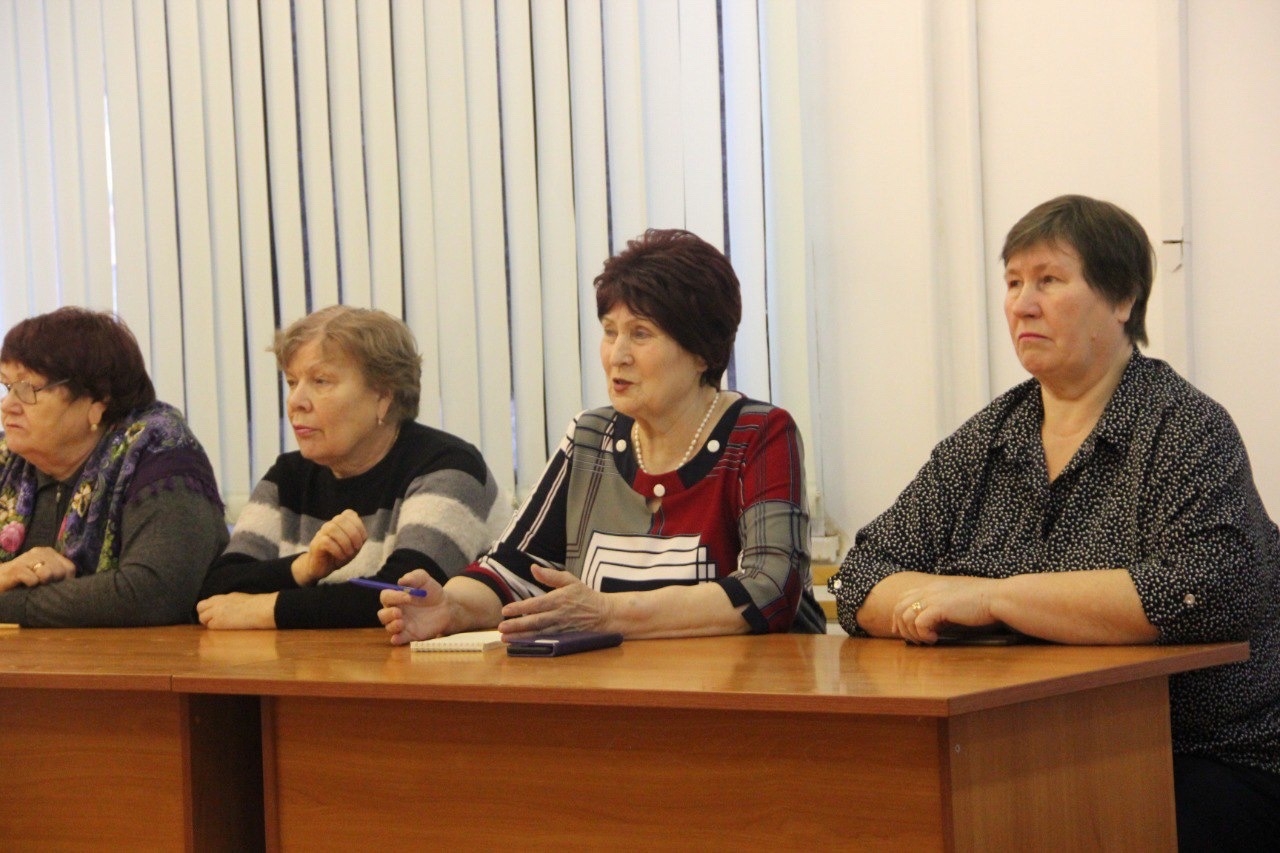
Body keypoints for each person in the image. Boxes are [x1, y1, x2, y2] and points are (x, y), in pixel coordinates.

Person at [829, 195, 1280, 849]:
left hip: (1198, 756)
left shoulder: (1183, 427)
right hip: (1020, 746)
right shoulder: (988, 438)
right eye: (1013, 282)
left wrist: (993, 600)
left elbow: (1205, 589)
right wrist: (927, 605)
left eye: (1048, 280)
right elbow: (860, 576)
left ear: (1122, 298)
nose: (1022, 304)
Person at [378, 228, 825, 644]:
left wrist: (609, 613)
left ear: (702, 352)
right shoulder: (591, 436)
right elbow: (511, 569)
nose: (617, 355)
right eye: (610, 332)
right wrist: (451, 608)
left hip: (741, 692)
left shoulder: (758, 433)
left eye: (641, 334)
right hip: (612, 688)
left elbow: (770, 588)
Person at [197, 305, 507, 629]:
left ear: (383, 397)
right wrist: (305, 567)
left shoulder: (449, 466)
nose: (295, 401)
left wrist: (266, 609)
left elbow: (405, 595)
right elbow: (216, 591)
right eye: (291, 382)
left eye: (320, 381)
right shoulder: (288, 476)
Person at [0, 307, 227, 626]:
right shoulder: (7, 461)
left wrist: (9, 603)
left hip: (146, 657)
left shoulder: (160, 453)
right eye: (7, 387)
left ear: (97, 402)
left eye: (27, 390)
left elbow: (152, 593)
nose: (8, 405)